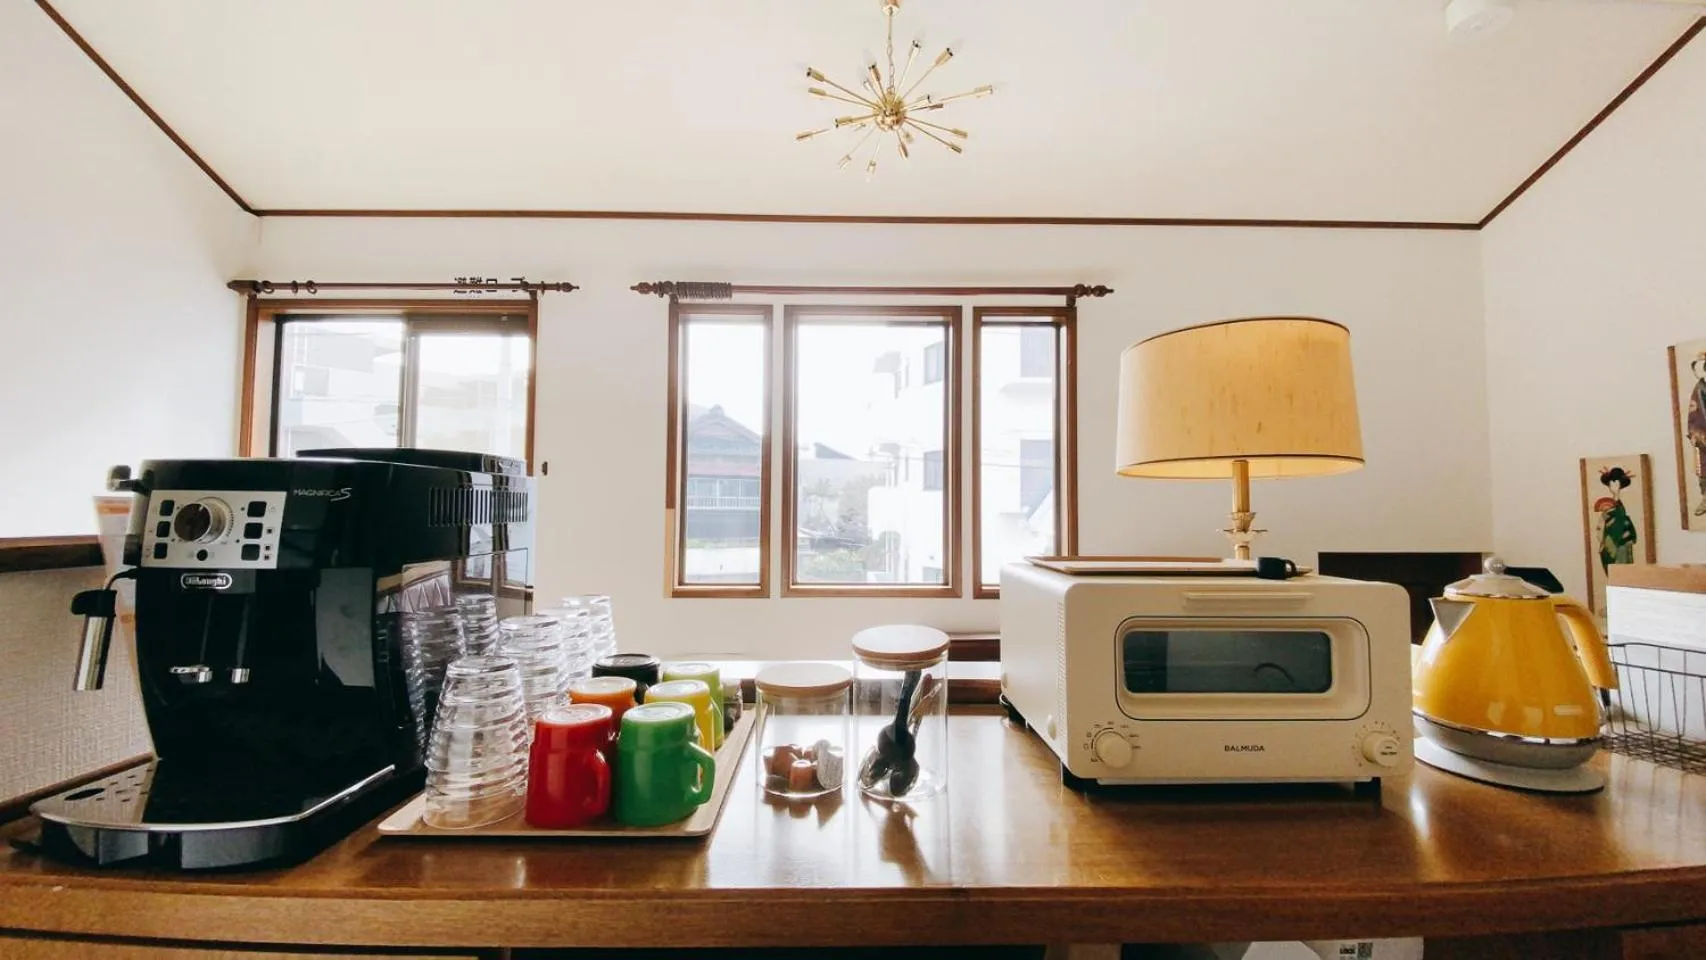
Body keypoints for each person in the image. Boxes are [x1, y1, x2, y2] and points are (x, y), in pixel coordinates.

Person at [1596, 466, 1638, 572]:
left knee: (1623, 570)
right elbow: (1601, 529)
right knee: (1615, 570)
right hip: (1610, 542)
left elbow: (1623, 520)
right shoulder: (1608, 510)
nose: (1613, 485)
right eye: (1611, 482)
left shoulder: (1620, 508)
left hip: (1622, 543)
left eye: (1616, 482)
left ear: (1620, 485)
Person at [1688, 354, 1706, 517]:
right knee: (1703, 468)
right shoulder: (1698, 391)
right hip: (1703, 436)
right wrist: (1694, 434)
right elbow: (1693, 416)